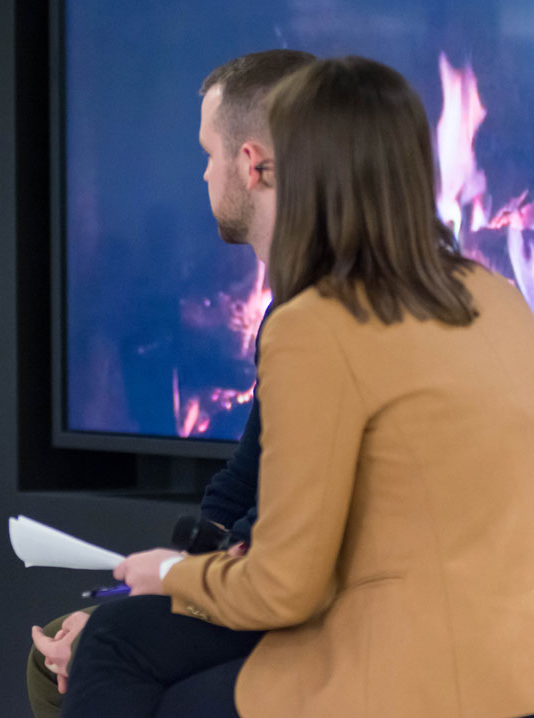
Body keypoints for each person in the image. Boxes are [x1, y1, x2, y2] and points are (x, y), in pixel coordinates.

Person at [59, 57, 534, 717]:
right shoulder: (500, 296)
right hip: (512, 661)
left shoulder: (317, 323)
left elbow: (286, 586)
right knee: (122, 644)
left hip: (406, 673)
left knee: (116, 650)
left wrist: (166, 574)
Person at [27, 49, 315, 718]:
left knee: (102, 651)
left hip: (302, 607)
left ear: (249, 163)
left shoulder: (318, 319)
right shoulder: (287, 309)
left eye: (208, 152)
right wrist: (182, 563)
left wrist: (173, 586)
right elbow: (248, 474)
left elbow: (280, 538)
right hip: (260, 579)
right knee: (65, 654)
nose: (204, 172)